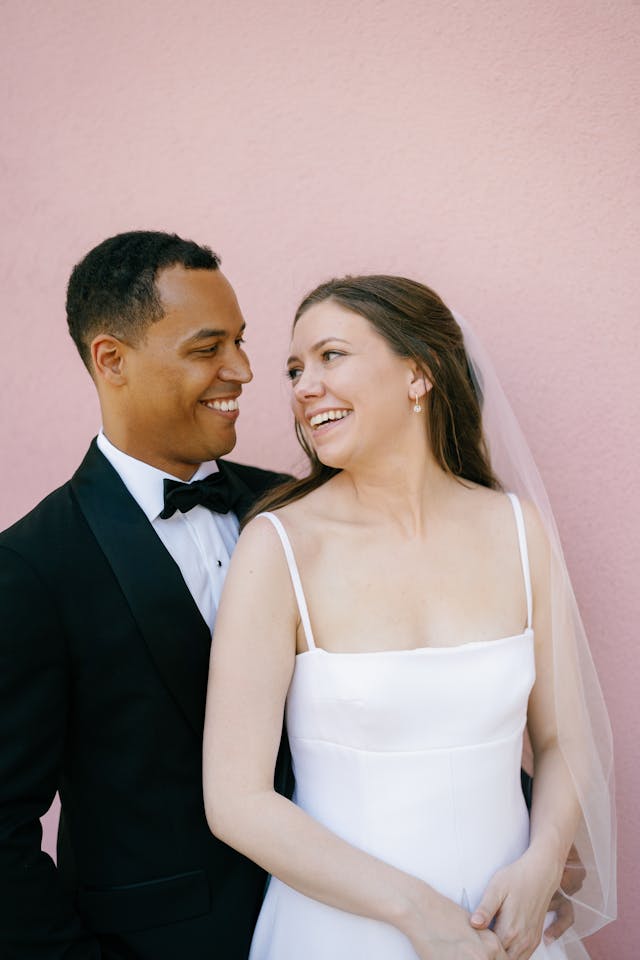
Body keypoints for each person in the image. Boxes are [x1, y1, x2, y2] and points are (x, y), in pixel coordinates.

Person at [203, 275, 616, 959]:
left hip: (510, 930)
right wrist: (416, 913)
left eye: (330, 356)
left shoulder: (517, 528)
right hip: (343, 933)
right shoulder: (278, 548)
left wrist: (542, 864)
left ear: (417, 373)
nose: (304, 387)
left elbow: (564, 739)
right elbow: (236, 799)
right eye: (295, 370)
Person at [0, 231, 289, 959]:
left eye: (242, 343)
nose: (243, 370)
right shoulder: (30, 566)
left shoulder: (292, 510)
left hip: (342, 923)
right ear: (111, 360)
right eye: (207, 348)